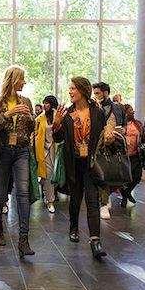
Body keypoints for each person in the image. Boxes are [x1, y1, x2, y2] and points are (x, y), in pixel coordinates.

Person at [52, 76, 114, 258]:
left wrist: (109, 136)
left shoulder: (97, 113)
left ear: (82, 90)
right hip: (73, 163)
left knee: (92, 201)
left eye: (73, 89)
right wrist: (56, 123)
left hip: (92, 163)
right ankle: (73, 227)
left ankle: (95, 241)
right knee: (75, 199)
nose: (70, 92)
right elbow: (58, 138)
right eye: (69, 89)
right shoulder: (66, 114)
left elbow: (104, 135)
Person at [0, 65, 35, 258]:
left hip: (22, 150)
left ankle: (24, 239)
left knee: (23, 192)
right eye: (22, 78)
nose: (25, 82)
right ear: (13, 80)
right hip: (2, 151)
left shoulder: (27, 101)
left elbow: (29, 130)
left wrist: (30, 119)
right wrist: (7, 115)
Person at [92, 82, 120, 220]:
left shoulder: (115, 108)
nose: (95, 96)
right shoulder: (93, 106)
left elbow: (119, 125)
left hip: (111, 145)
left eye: (98, 93)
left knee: (106, 172)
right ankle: (104, 200)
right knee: (100, 172)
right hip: (95, 144)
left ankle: (104, 201)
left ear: (106, 92)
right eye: (94, 93)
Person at [35, 95, 58, 213]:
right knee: (47, 175)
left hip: (57, 150)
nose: (45, 105)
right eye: (44, 103)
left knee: (55, 175)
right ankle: (50, 201)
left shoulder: (59, 117)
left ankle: (49, 194)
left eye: (47, 103)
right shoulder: (39, 118)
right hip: (45, 150)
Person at [120, 104, 145, 207]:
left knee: (136, 176)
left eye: (132, 110)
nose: (133, 112)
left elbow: (143, 138)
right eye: (130, 110)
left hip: (135, 154)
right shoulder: (120, 124)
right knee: (123, 178)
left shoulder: (138, 124)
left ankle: (128, 192)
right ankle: (125, 197)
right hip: (123, 156)